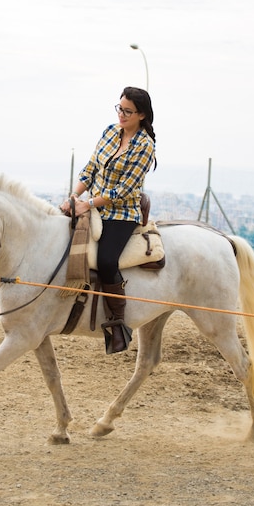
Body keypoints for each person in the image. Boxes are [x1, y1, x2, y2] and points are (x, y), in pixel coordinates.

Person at [60, 86, 157, 354]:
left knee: (106, 260)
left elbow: (123, 191)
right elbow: (90, 168)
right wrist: (73, 196)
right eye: (119, 108)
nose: (121, 115)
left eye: (127, 111)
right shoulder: (110, 132)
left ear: (141, 115)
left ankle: (118, 324)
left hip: (122, 213)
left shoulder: (145, 146)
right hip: (91, 204)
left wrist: (87, 204)